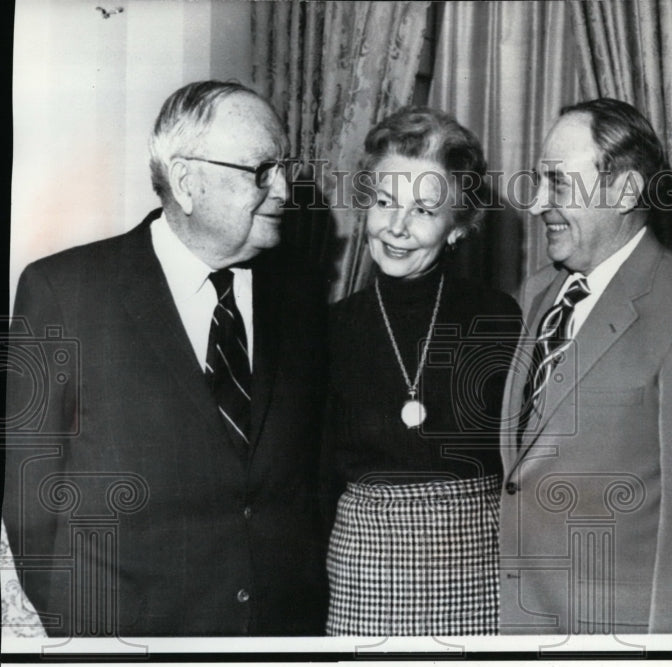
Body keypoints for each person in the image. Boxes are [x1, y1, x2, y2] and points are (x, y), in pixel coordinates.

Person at [2, 81, 329, 636]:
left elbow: (310, 476)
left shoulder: (299, 295)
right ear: (186, 181)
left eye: (286, 167)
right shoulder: (64, 292)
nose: (284, 189)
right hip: (128, 646)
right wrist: (83, 632)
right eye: (261, 170)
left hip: (275, 641)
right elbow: (31, 492)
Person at [498, 98, 672, 634]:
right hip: (520, 631)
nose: (538, 203)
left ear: (627, 191)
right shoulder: (537, 292)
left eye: (558, 183)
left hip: (617, 646)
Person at [322, 106, 521, 636]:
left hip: (475, 569)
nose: (397, 227)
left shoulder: (502, 320)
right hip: (364, 570)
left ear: (458, 228)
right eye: (385, 202)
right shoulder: (327, 330)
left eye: (425, 211)